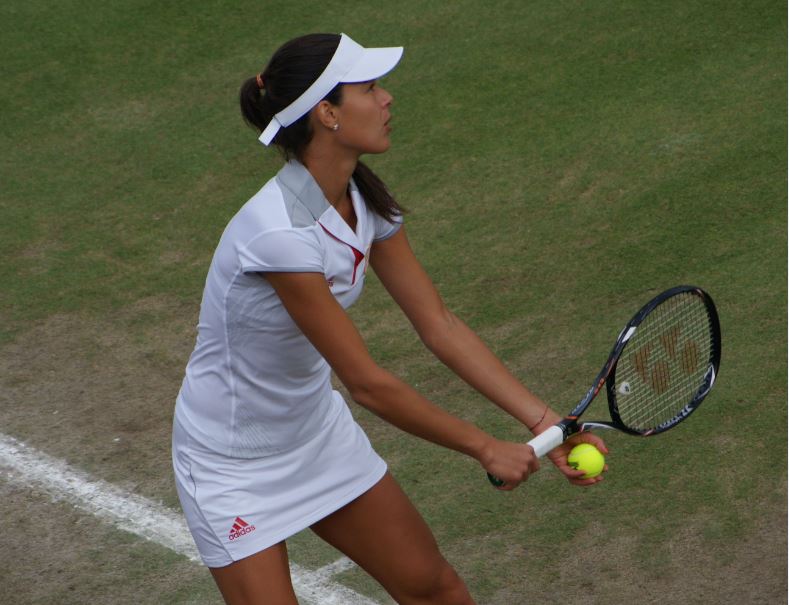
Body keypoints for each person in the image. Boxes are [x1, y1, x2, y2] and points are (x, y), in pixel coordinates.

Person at [172, 32, 608, 605]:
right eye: (370, 88)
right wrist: (483, 446)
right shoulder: (278, 235)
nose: (387, 99)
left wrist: (545, 421)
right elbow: (367, 384)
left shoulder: (364, 199)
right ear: (326, 113)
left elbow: (440, 325)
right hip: (231, 467)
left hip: (315, 438)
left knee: (436, 590)